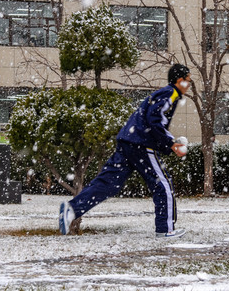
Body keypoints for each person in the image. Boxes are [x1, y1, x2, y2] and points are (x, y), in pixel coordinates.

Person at [59, 64, 191, 238]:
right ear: (179, 80)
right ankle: (165, 229)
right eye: (188, 81)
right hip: (142, 144)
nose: (189, 85)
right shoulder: (170, 93)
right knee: (163, 184)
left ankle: (72, 209)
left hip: (127, 141)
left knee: (108, 183)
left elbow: (151, 119)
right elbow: (155, 118)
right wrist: (171, 143)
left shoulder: (161, 94)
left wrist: (168, 144)